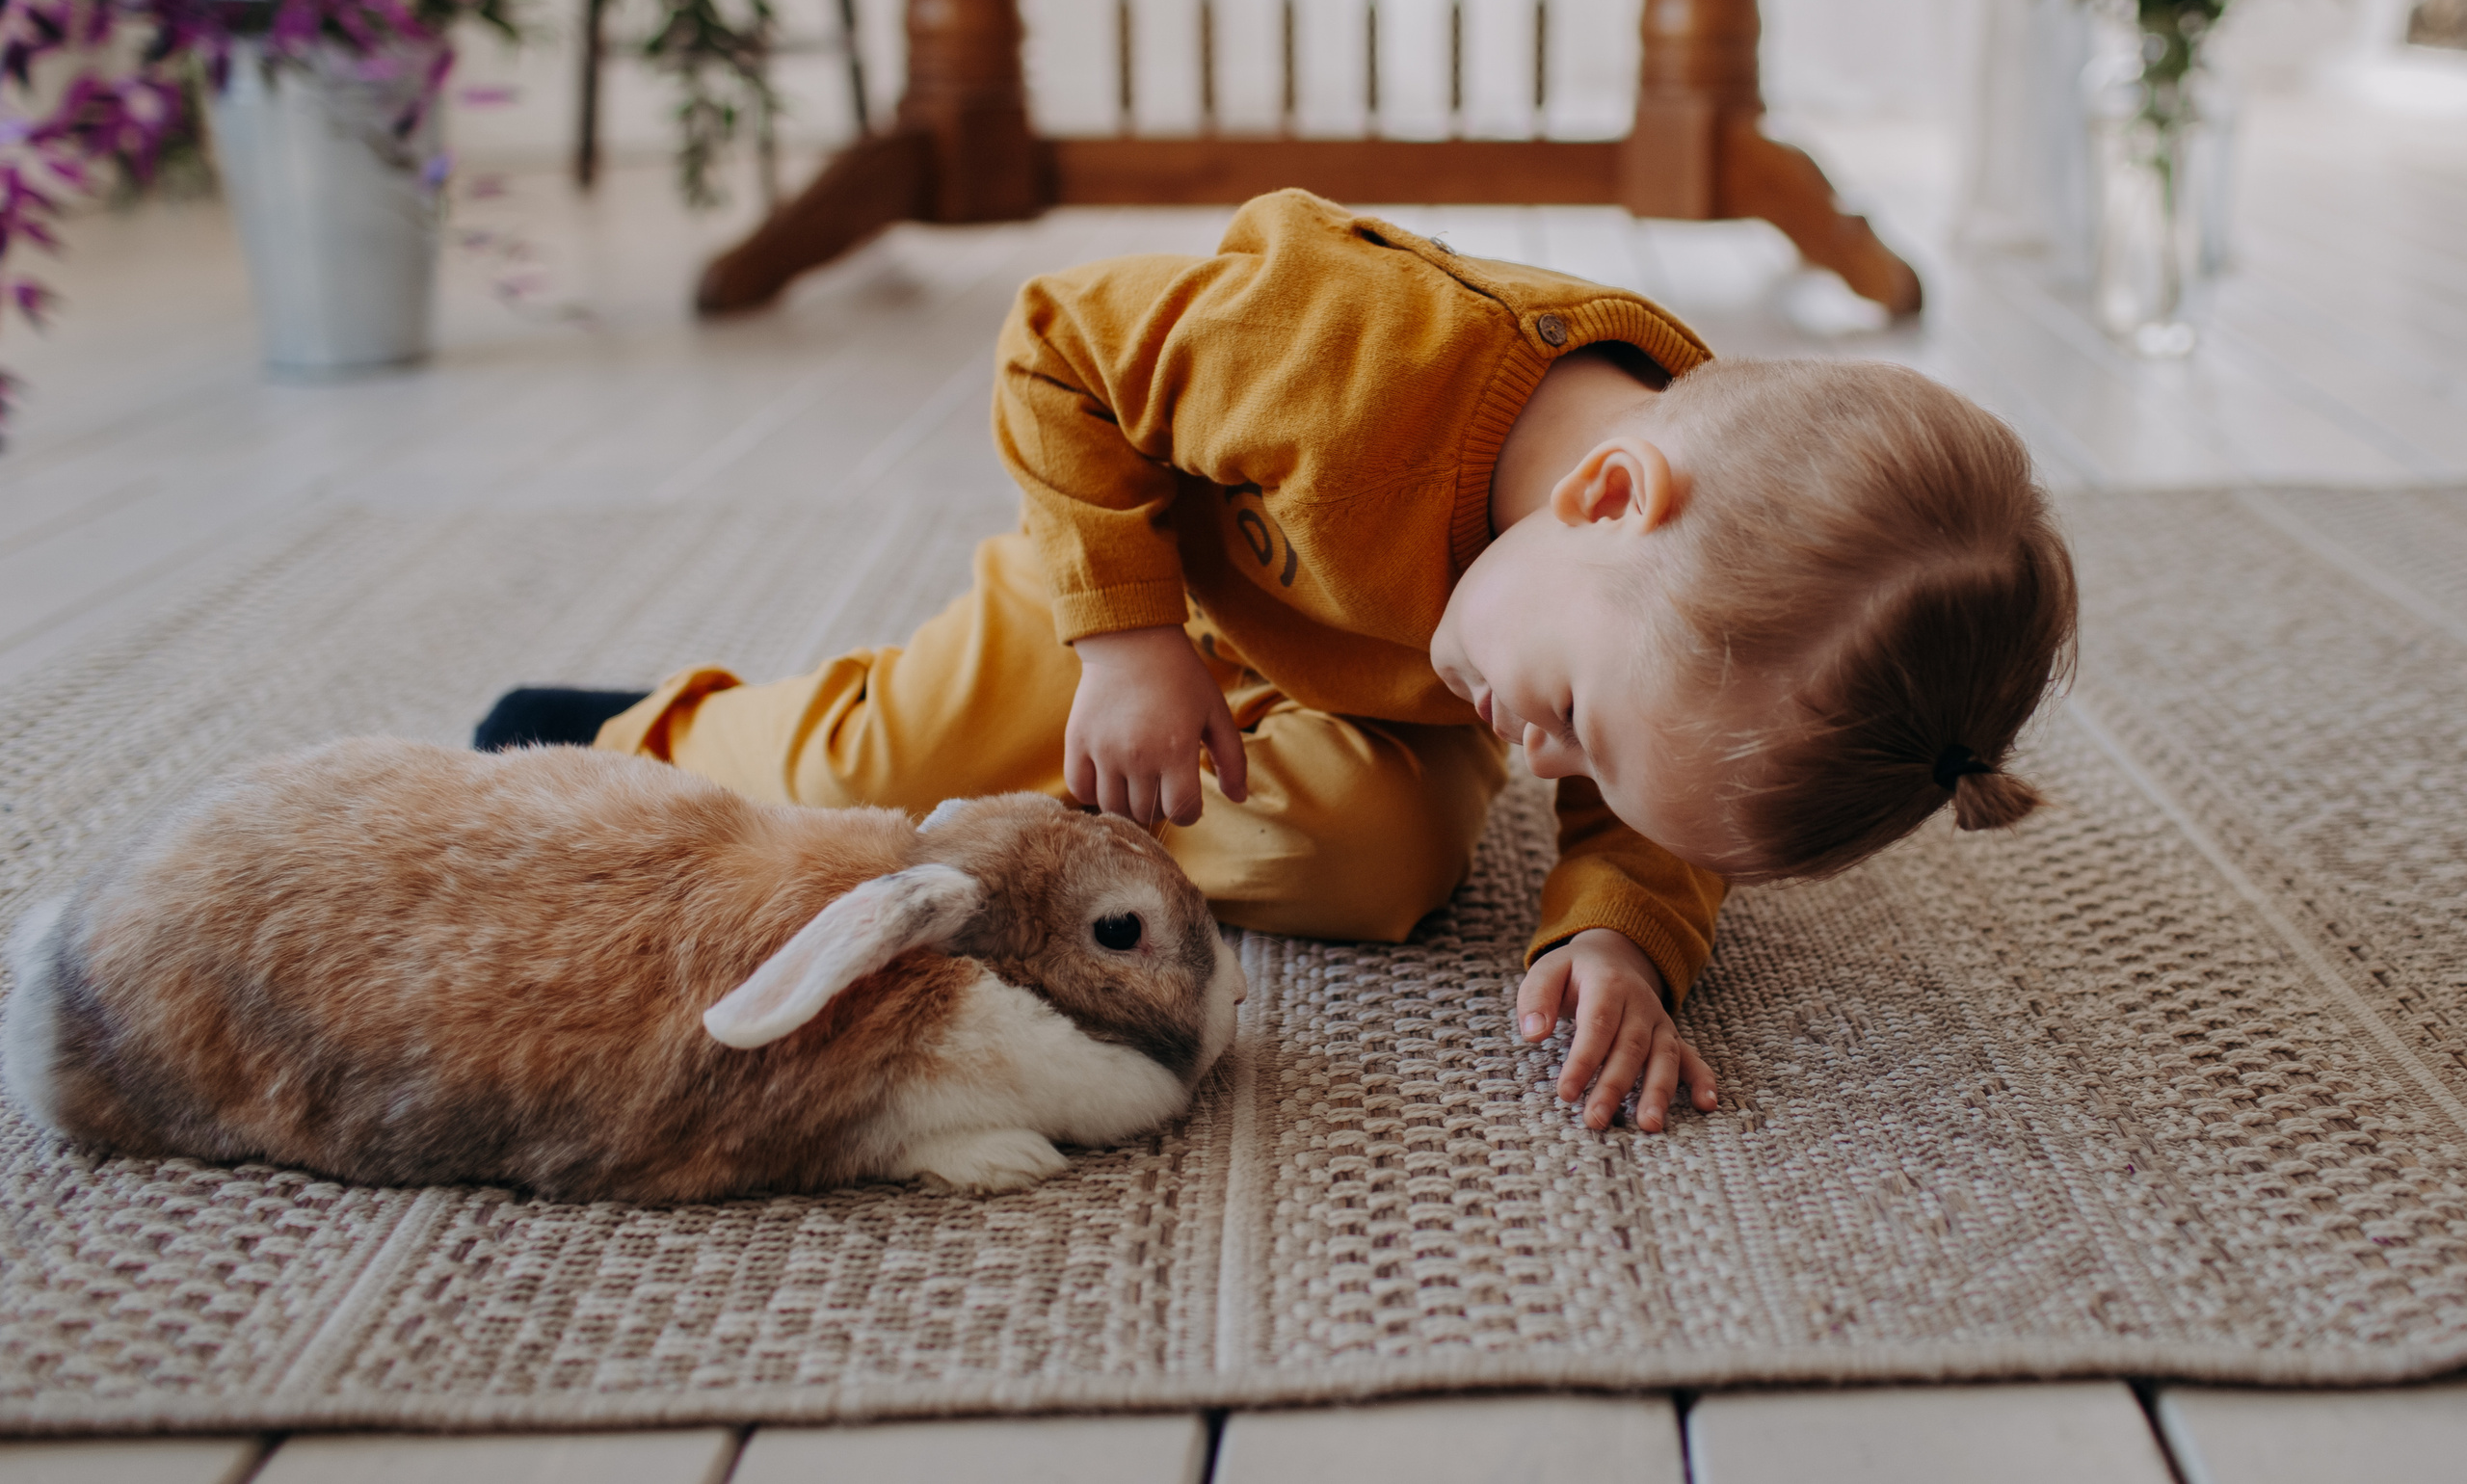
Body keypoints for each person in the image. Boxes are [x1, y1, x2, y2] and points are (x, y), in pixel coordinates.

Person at [476, 189, 2078, 1133]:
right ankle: (633, 721)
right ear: (1607, 496)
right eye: (1575, 723)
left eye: (1582, 769)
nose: (1541, 768)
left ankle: (1041, 837)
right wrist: (1122, 646)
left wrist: (1621, 943)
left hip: (1378, 673)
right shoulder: (1349, 348)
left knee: (1381, 860)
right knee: (853, 779)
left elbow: (1650, 798)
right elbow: (1058, 347)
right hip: (1145, 602)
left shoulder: (1667, 599)